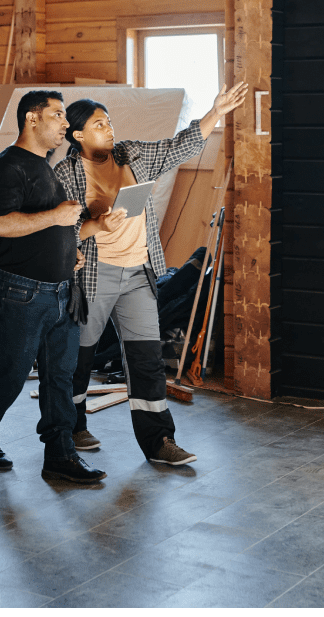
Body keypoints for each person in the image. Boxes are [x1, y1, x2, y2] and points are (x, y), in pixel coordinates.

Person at [54, 81, 248, 465]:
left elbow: (181, 146)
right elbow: (59, 229)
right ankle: (71, 426)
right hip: (94, 275)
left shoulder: (133, 155)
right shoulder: (66, 173)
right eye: (98, 124)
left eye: (109, 122)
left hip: (138, 274)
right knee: (79, 356)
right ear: (77, 135)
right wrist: (96, 223)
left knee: (145, 359)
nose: (109, 129)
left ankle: (159, 441)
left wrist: (216, 112)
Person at [0, 90, 106, 484]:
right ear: (31, 119)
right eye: (57, 115)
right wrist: (58, 216)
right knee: (12, 371)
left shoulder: (45, 166)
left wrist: (69, 253)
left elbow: (47, 228)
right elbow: (1, 225)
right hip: (22, 292)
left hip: (62, 290)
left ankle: (60, 456)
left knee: (60, 375)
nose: (64, 123)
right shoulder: (7, 167)